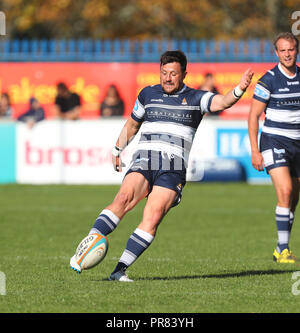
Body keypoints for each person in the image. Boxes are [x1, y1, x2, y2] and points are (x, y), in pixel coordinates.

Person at [70, 50, 253, 281]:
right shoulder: (147, 94)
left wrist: (240, 88)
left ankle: (118, 271)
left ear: (184, 74)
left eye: (173, 74)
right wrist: (117, 149)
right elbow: (133, 125)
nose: (167, 78)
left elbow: (223, 101)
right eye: (164, 73)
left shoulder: (197, 98)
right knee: (123, 199)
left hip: (173, 168)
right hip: (145, 160)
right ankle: (85, 249)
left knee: (153, 215)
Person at [248, 32, 300, 264]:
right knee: (286, 191)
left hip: (297, 143)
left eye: (291, 49)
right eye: (283, 50)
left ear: (296, 50)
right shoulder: (268, 80)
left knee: (293, 198)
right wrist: (254, 150)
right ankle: (283, 249)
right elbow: (253, 116)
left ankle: (281, 249)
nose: (287, 54)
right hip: (274, 141)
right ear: (276, 53)